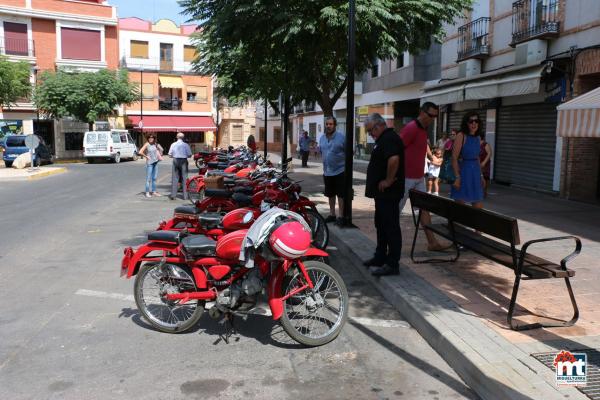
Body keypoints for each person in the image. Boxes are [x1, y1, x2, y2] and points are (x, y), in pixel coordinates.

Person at [398, 102, 449, 252]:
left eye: (435, 116)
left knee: (424, 210)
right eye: (430, 115)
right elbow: (398, 148)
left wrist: (431, 156)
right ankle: (388, 244)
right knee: (395, 212)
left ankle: (432, 242)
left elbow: (423, 143)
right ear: (422, 112)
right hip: (406, 178)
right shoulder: (411, 128)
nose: (432, 118)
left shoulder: (423, 128)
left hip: (419, 178)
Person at [363, 113, 405, 276]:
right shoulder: (383, 139)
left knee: (390, 227)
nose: (370, 134)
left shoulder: (389, 138)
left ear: (378, 126)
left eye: (370, 131)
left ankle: (392, 263)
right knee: (380, 225)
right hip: (382, 195)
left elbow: (394, 160)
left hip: (389, 193)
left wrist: (388, 180)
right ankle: (380, 256)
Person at [451, 112, 484, 207]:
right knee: (460, 209)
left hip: (475, 173)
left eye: (476, 121)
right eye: (471, 121)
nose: (474, 123)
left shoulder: (478, 137)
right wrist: (457, 177)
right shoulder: (461, 135)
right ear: (466, 123)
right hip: (464, 173)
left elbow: (477, 157)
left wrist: (481, 175)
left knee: (478, 207)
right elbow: (454, 157)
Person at [318, 116, 345, 224]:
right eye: (327, 124)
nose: (328, 126)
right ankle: (332, 214)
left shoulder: (341, 137)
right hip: (327, 171)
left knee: (340, 194)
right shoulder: (322, 138)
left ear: (335, 125)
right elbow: (321, 152)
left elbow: (349, 151)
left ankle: (341, 216)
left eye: (331, 124)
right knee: (330, 194)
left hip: (340, 170)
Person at [168, 132, 192, 200]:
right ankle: (185, 196)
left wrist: (175, 155)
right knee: (184, 178)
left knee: (175, 177)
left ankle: (173, 195)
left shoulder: (173, 144)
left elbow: (169, 154)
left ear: (177, 137)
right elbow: (190, 155)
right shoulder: (186, 145)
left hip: (175, 160)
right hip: (183, 160)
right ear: (183, 137)